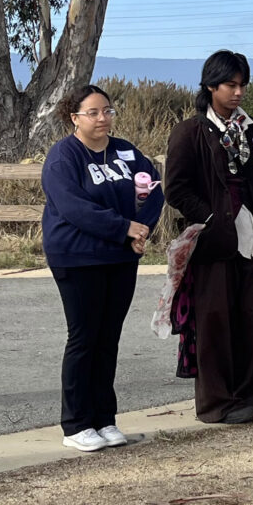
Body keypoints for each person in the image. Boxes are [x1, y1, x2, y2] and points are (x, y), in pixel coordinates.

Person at [160, 51, 253, 424]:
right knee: (216, 321)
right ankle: (219, 402)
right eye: (231, 85)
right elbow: (176, 190)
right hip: (216, 243)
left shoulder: (252, 128)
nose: (238, 92)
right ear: (211, 86)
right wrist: (212, 218)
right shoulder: (190, 132)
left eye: (242, 85)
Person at [42, 83, 165, 450]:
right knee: (84, 337)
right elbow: (73, 207)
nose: (102, 118)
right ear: (73, 117)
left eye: (107, 111)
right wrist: (122, 227)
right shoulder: (64, 156)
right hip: (78, 257)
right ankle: (76, 424)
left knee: (108, 337)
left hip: (121, 256)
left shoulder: (125, 152)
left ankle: (104, 418)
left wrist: (142, 228)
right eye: (92, 112)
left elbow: (153, 190)